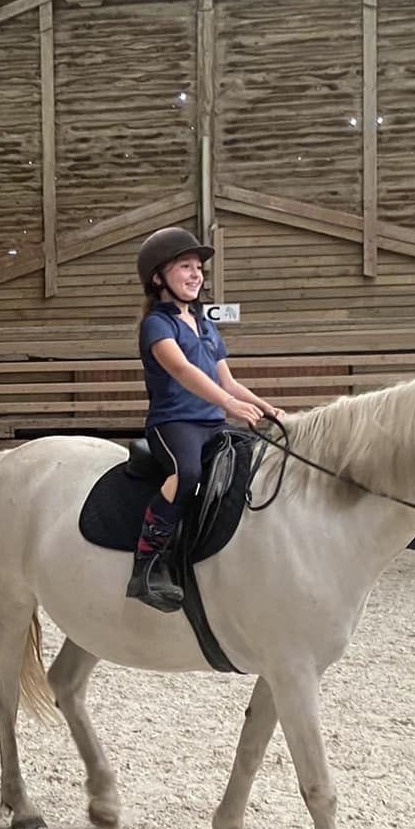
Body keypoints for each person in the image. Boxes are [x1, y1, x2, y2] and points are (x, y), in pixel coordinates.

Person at [128, 228, 284, 611]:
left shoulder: (206, 325)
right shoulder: (157, 325)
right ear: (158, 277)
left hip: (213, 422)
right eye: (185, 266)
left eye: (199, 267)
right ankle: (146, 564)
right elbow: (182, 371)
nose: (196, 274)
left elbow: (227, 380)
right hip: (174, 424)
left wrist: (266, 408)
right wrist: (230, 405)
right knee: (188, 475)